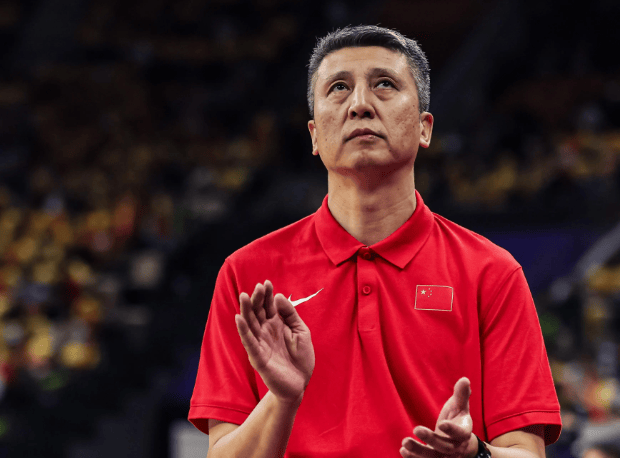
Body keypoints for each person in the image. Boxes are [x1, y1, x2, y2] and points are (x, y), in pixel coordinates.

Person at [188, 25, 562, 457]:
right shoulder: (248, 276)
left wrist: (474, 454)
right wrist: (282, 399)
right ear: (314, 135)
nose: (360, 104)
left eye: (384, 84)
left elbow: (526, 452)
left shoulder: (492, 273)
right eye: (339, 88)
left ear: (424, 128)